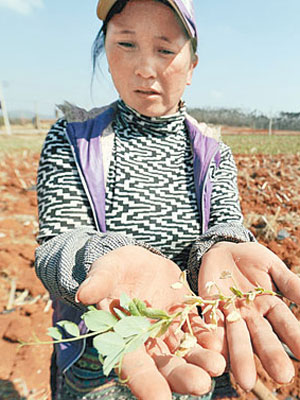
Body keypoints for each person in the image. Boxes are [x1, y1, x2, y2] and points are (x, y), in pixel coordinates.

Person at [35, 0, 300, 399]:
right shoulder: (73, 139)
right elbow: (56, 245)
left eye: (164, 49)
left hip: (194, 341)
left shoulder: (212, 151)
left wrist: (224, 247)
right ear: (105, 53)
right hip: (99, 355)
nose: (145, 68)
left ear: (192, 66)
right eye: (126, 45)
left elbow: (224, 226)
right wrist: (100, 260)